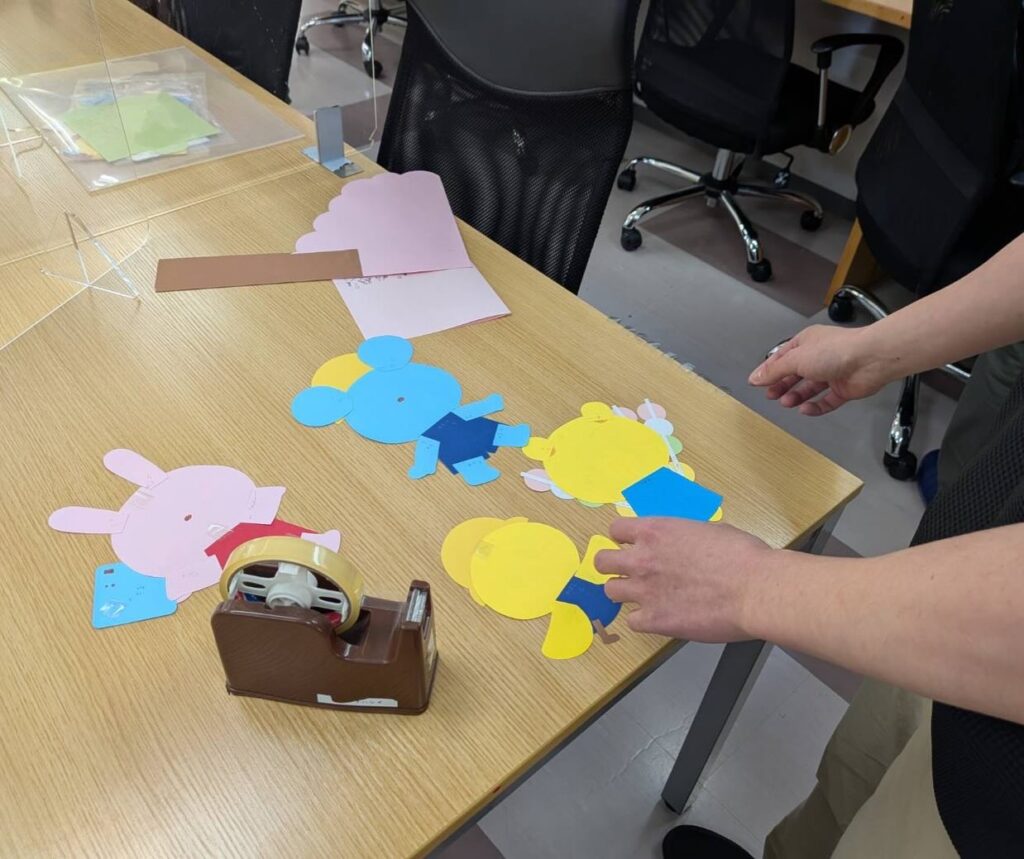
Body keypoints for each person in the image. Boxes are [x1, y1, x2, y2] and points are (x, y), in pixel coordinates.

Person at [595, 232, 1024, 857]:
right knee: (852, 779)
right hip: (945, 588)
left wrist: (751, 585)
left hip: (996, 792)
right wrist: (878, 348)